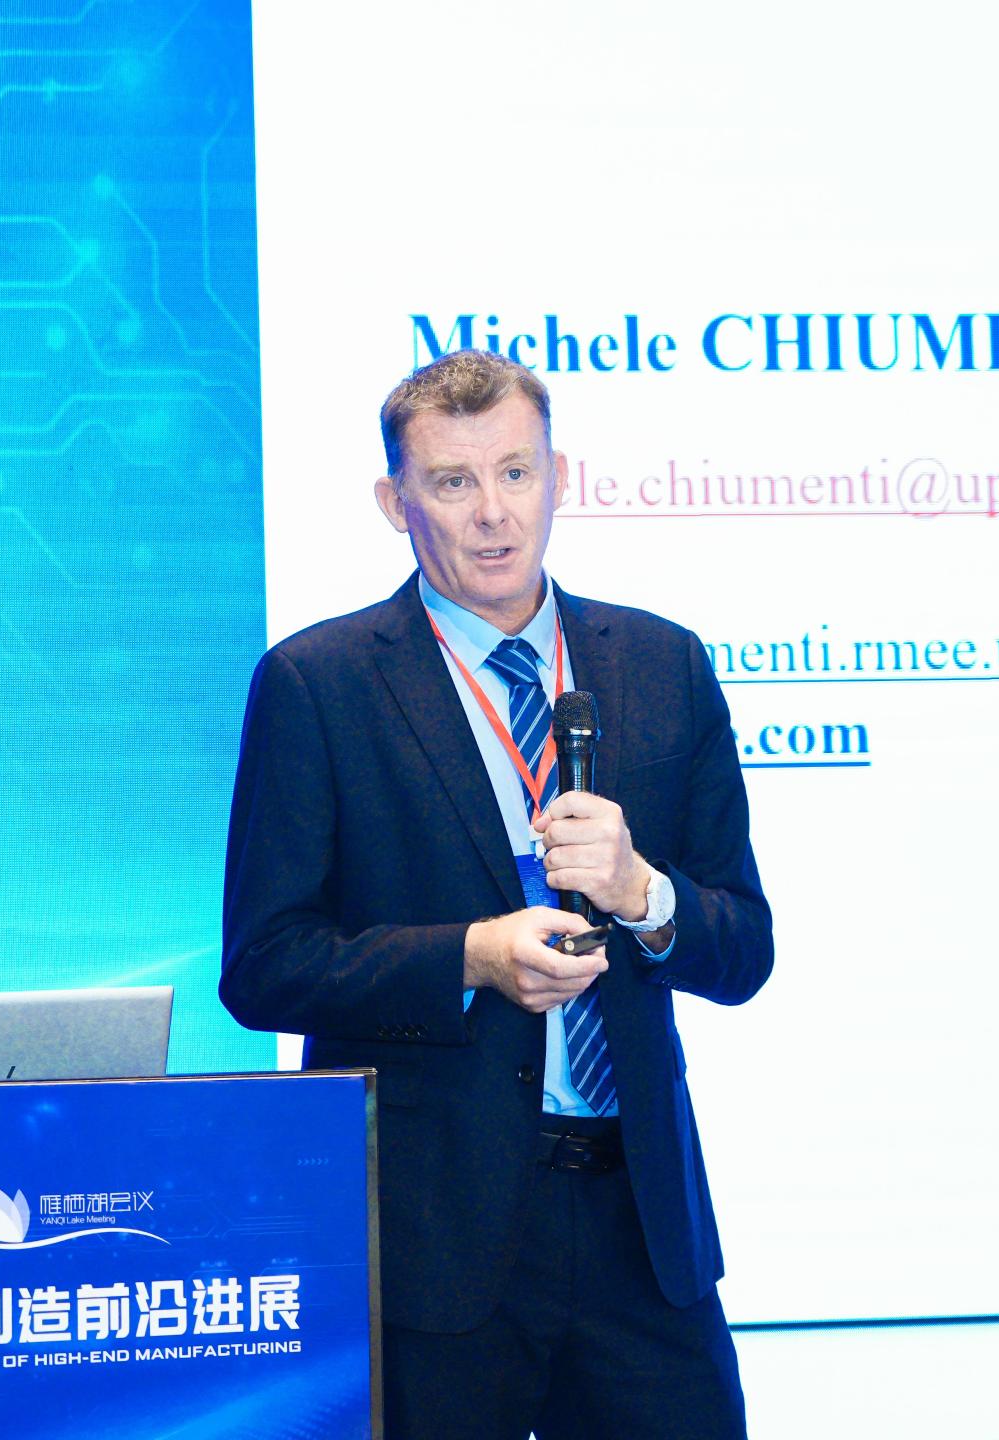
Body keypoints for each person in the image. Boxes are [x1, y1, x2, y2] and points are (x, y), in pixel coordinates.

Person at [220, 349, 772, 1439]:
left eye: (516, 473)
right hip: (436, 1238)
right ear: (396, 504)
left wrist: (645, 894)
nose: (492, 513)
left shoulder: (662, 663)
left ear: (558, 477)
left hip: (640, 1227)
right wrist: (468, 957)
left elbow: (743, 948)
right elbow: (265, 965)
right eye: (453, 482)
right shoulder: (319, 683)